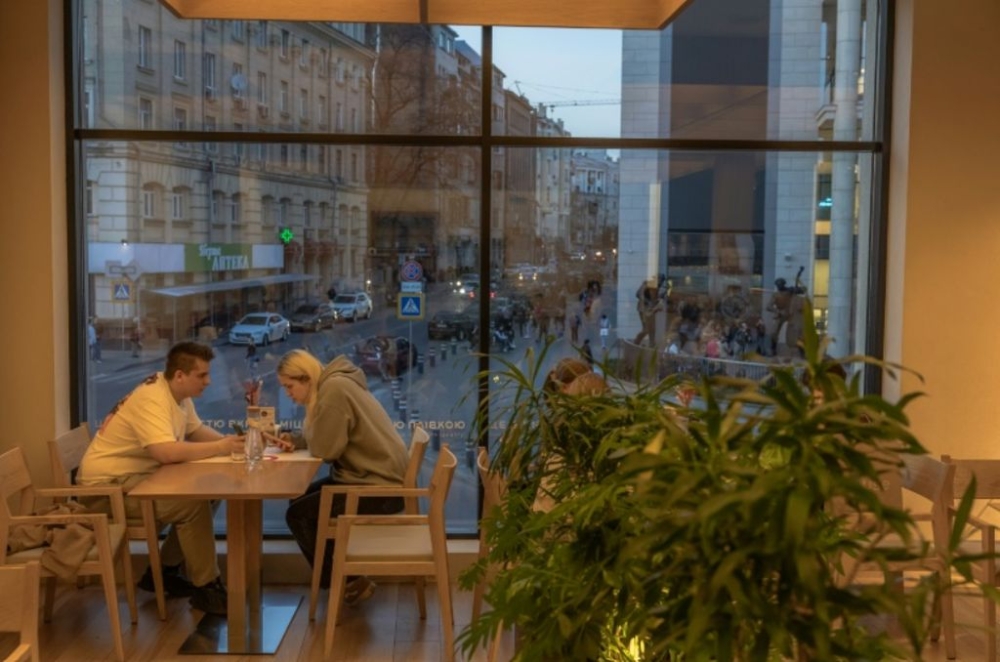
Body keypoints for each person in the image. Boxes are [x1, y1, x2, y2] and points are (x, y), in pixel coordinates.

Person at [77, 341, 244, 617]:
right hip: (106, 492)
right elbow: (165, 452)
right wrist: (220, 448)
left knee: (209, 493)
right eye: (201, 375)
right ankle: (207, 588)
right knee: (191, 505)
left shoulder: (176, 393)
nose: (209, 381)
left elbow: (196, 429)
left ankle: (162, 574)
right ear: (180, 375)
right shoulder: (152, 399)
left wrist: (231, 443)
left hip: (132, 480)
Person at [276, 349, 409, 605]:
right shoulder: (337, 382)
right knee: (298, 501)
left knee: (298, 515)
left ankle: (345, 583)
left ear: (305, 378)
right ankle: (346, 580)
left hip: (379, 488)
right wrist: (297, 439)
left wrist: (306, 436)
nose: (288, 395)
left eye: (289, 386)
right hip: (373, 477)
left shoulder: (333, 391)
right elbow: (332, 434)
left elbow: (327, 450)